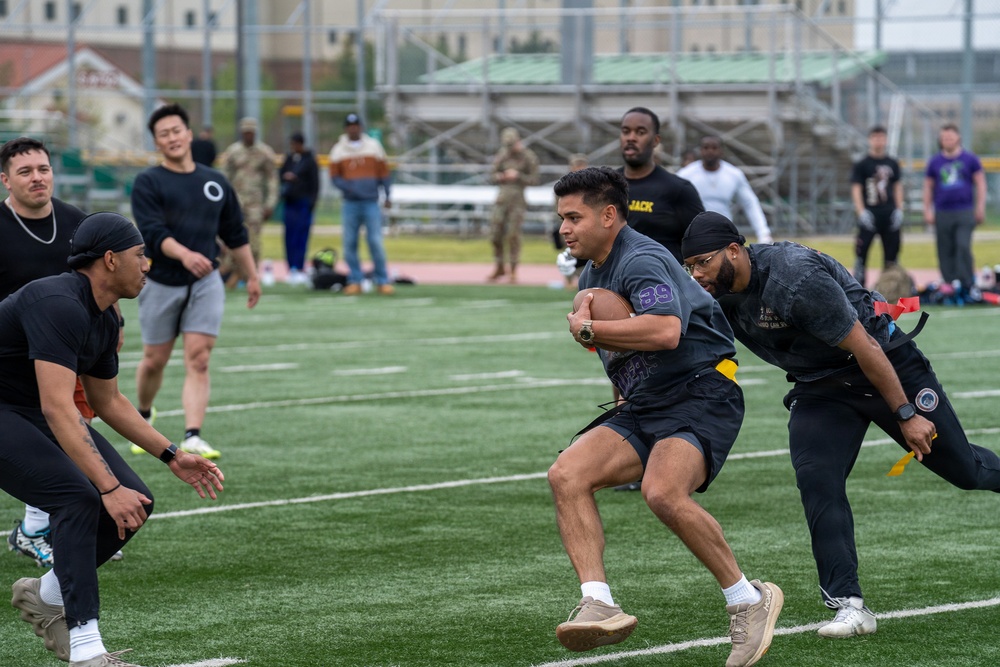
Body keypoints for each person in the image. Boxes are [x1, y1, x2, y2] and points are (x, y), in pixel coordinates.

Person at [680, 212, 1000, 640]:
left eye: (702, 262)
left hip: (883, 366)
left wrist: (906, 414)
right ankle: (848, 605)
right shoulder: (715, 291)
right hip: (820, 387)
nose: (696, 274)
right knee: (817, 479)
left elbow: (865, 345)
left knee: (965, 471)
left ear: (734, 251)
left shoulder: (793, 279)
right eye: (690, 266)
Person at [549, 167, 783, 666]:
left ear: (608, 215)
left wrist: (590, 330)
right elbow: (623, 356)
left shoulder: (643, 258)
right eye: (561, 218)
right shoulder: (593, 272)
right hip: (648, 400)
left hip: (703, 389)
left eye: (574, 217)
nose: (564, 228)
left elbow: (665, 333)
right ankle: (599, 603)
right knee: (566, 474)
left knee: (662, 492)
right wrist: (619, 397)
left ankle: (749, 598)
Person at [1, 211, 225, 667]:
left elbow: (108, 401)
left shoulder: (105, 317)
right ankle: (88, 652)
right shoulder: (58, 301)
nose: (146, 265)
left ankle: (44, 594)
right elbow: (59, 408)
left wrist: (172, 454)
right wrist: (106, 487)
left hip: (29, 411)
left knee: (136, 500)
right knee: (79, 499)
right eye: (140, 255)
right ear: (109, 259)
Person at [0, 137, 126, 568]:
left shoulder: (77, 223)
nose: (37, 177)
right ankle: (39, 528)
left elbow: (101, 283)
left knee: (70, 428)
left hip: (59, 354)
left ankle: (43, 528)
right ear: (5, 180)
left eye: (43, 169)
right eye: (25, 171)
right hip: (8, 361)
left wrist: (116, 325)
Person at [130, 103, 261, 460]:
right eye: (163, 134)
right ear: (156, 142)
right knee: (154, 359)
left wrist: (252, 275)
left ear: (188, 134)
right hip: (161, 281)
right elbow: (152, 232)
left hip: (206, 284)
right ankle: (143, 414)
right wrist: (185, 254)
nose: (172, 138)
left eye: (176, 130)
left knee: (199, 358)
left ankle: (193, 435)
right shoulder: (148, 182)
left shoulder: (215, 182)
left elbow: (235, 232)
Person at [617, 107, 704, 263]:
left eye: (640, 132)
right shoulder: (606, 186)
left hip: (661, 284)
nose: (631, 138)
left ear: (656, 140)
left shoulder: (679, 189)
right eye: (626, 131)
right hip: (611, 283)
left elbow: (701, 244)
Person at [328, 112, 395, 295]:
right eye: (350, 125)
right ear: (346, 128)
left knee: (375, 241)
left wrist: (387, 195)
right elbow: (334, 177)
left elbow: (384, 173)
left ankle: (382, 280)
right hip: (350, 203)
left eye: (356, 125)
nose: (353, 128)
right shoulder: (338, 150)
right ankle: (355, 279)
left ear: (361, 127)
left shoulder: (373, 147)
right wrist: (348, 188)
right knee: (350, 242)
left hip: (370, 201)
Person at [922, 123, 987, 300]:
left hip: (964, 211)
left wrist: (980, 207)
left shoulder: (970, 159)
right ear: (940, 141)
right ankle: (949, 284)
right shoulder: (935, 162)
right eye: (944, 138)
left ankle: (967, 283)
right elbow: (928, 187)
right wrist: (927, 209)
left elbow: (980, 183)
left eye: (950, 137)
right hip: (943, 212)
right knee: (945, 249)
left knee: (963, 245)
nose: (947, 140)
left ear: (958, 138)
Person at [677, 135, 773, 244]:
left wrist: (763, 233)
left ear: (721, 151)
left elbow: (749, 203)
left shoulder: (734, 174)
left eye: (714, 148)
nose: (710, 151)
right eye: (706, 147)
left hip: (724, 233)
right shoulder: (686, 174)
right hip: (694, 233)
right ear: (700, 150)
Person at [220, 117, 280, 289]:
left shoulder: (264, 152)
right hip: (235, 203)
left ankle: (250, 276)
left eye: (251, 132)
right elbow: (224, 178)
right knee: (232, 239)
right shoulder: (233, 152)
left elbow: (272, 180)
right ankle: (235, 274)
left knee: (253, 241)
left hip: (255, 203)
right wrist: (223, 202)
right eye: (245, 132)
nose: (248, 135)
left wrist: (270, 203)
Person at [849, 125, 905, 286]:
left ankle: (889, 287)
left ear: (886, 140)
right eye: (875, 138)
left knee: (892, 255)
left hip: (889, 213)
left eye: (881, 138)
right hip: (870, 213)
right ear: (870, 140)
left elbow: (897, 186)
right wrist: (861, 212)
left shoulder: (892, 163)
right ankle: (858, 287)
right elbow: (856, 188)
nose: (878, 141)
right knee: (862, 252)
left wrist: (899, 209)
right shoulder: (863, 164)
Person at [487, 127, 540, 284]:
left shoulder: (528, 156)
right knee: (495, 234)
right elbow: (491, 175)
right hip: (501, 200)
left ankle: (513, 270)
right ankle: (499, 266)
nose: (509, 148)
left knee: (513, 235)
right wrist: (501, 176)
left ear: (517, 141)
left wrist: (519, 176)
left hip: (517, 202)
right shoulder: (502, 155)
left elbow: (535, 179)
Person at [278, 132, 320, 286]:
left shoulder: (310, 160)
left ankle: (300, 266)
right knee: (289, 236)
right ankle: (291, 268)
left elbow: (315, 184)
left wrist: (311, 203)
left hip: (303, 204)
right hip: (290, 203)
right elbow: (281, 174)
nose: (293, 147)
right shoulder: (289, 159)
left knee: (301, 236)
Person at [554, 153, 589, 289]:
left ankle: (583, 278)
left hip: (583, 222)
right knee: (568, 250)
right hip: (567, 220)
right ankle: (568, 280)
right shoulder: (564, 185)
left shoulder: (591, 185)